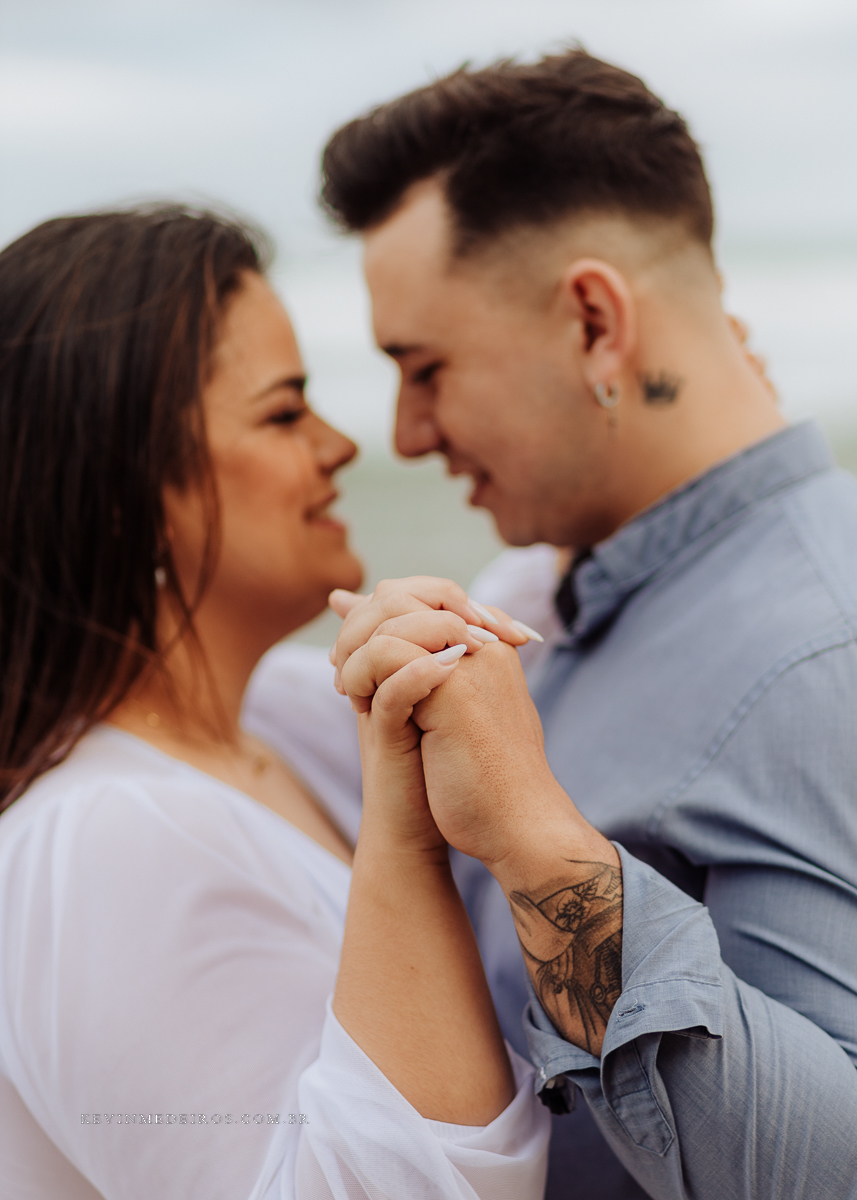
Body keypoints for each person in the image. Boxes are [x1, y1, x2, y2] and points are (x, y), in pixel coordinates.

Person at [311, 48, 857, 1200]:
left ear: (596, 324)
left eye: (425, 366)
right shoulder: (567, 592)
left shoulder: (821, 650)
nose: (404, 435)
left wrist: (534, 842)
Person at [0, 206, 551, 1199]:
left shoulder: (270, 725)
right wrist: (405, 836)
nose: (341, 444)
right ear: (134, 492)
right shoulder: (103, 840)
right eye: (284, 411)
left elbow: (511, 628)